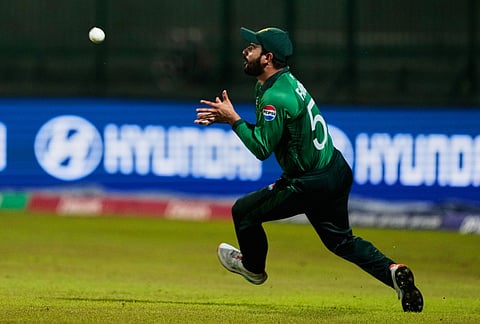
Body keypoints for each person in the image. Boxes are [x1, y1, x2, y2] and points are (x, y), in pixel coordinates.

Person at [194, 26, 423, 312]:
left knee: (243, 212)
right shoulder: (279, 83)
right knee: (342, 242)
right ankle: (393, 272)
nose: (245, 50)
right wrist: (232, 120)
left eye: (252, 47)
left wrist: (233, 121)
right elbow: (272, 133)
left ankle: (253, 269)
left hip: (309, 182)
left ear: (267, 58)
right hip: (336, 169)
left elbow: (262, 149)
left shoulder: (275, 98)